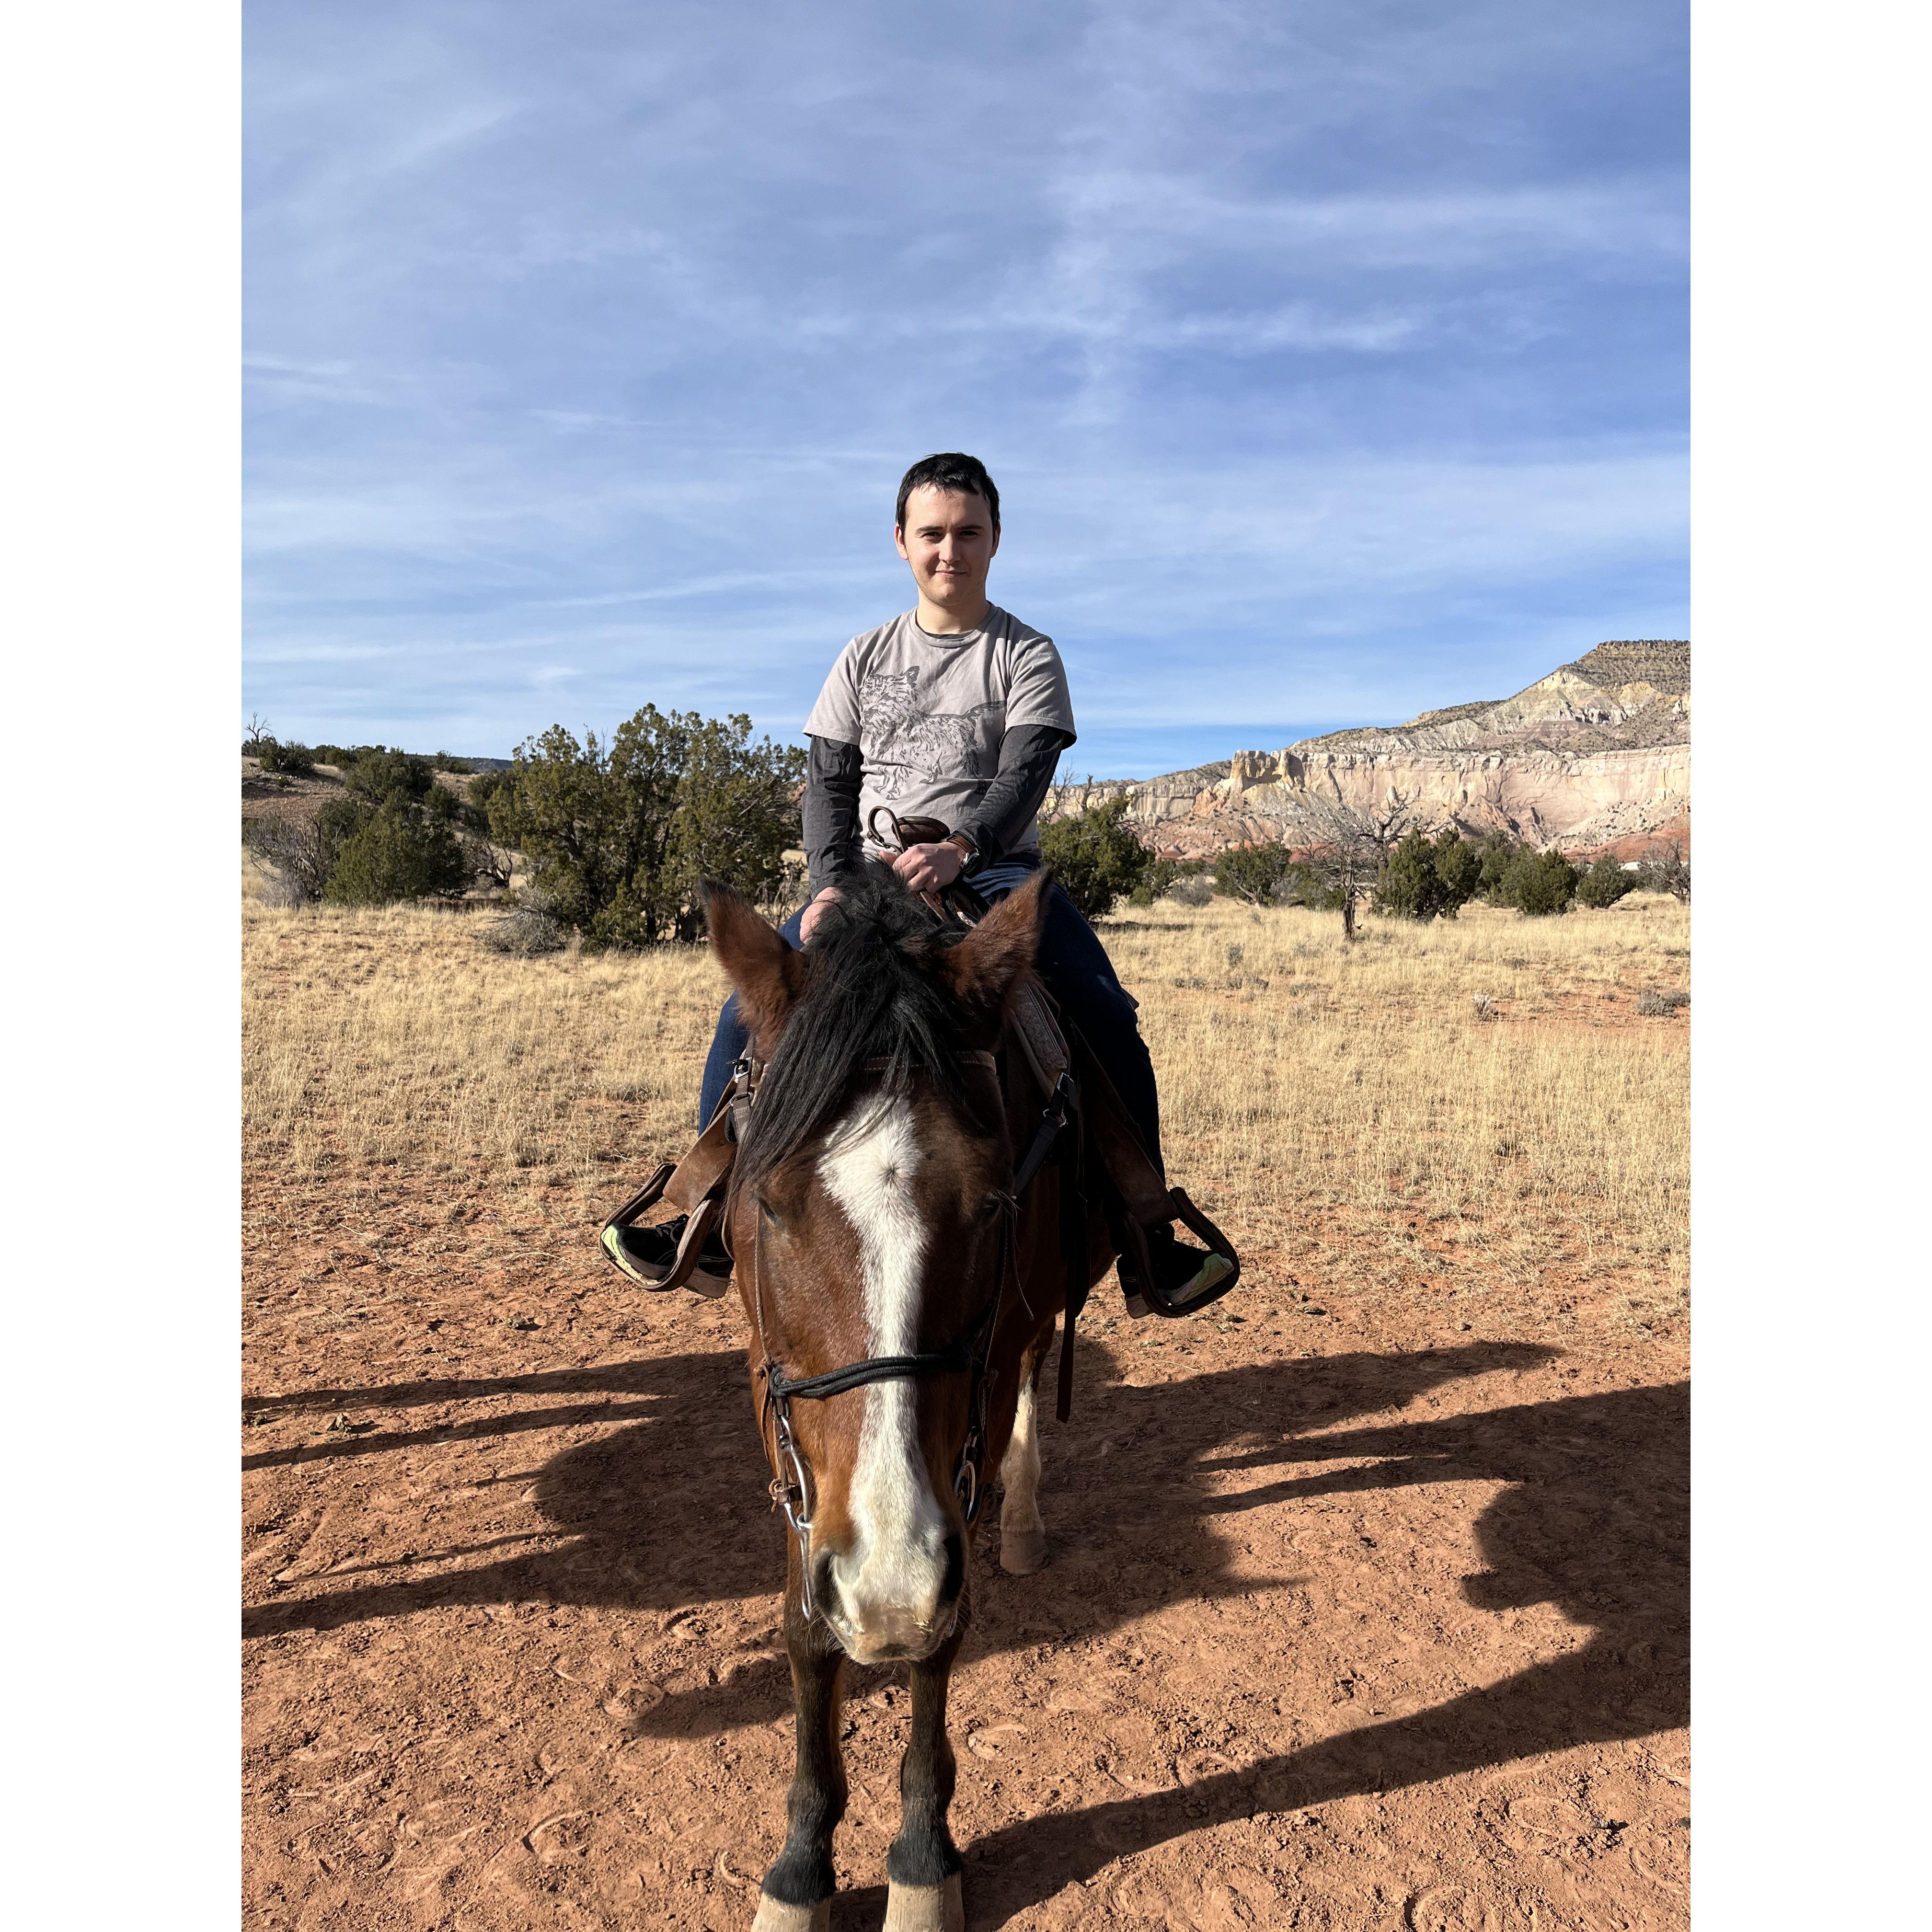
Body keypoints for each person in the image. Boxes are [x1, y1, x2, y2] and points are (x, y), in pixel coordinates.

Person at [610, 452, 1233, 1311]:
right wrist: (830, 882)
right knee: (742, 1014)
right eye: (932, 534)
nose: (951, 551)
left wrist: (965, 846)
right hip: (868, 882)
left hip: (994, 871)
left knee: (1102, 1013)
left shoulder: (1026, 653)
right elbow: (828, 781)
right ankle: (705, 1217)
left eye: (968, 532)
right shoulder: (863, 657)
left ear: (996, 539)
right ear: (901, 542)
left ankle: (1147, 1235)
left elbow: (1028, 770)